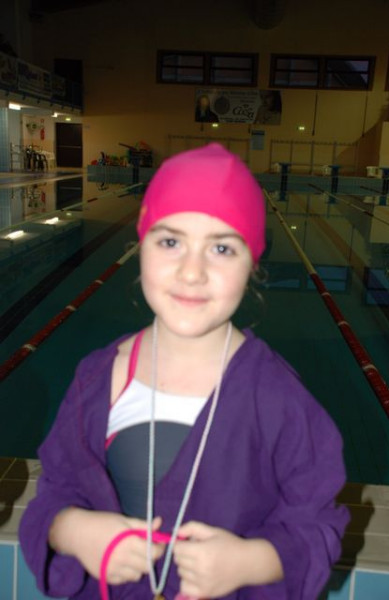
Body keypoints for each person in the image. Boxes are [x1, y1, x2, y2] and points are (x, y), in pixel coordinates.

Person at [19, 143, 349, 600]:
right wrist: (75, 530)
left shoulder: (277, 397)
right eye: (171, 242)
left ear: (253, 263)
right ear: (140, 247)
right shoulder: (99, 377)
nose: (192, 272)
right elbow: (55, 492)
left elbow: (318, 526)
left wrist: (250, 561)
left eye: (222, 248)